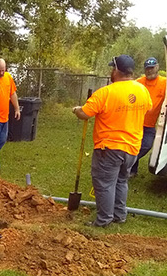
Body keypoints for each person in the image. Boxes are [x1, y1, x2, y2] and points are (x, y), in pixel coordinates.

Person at [72, 55, 152, 227]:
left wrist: (76, 109)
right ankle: (119, 215)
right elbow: (148, 108)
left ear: (116, 70)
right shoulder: (142, 90)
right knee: (122, 181)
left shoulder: (106, 92)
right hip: (132, 147)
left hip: (109, 147)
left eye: (112, 68)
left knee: (105, 183)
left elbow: (85, 113)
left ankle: (103, 220)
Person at [130, 57, 167, 177]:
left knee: (146, 145)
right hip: (135, 122)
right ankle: (132, 171)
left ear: (157, 67)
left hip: (150, 125)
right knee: (134, 145)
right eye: (147, 69)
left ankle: (126, 163)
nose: (150, 71)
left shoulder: (164, 83)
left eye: (152, 68)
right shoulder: (138, 83)